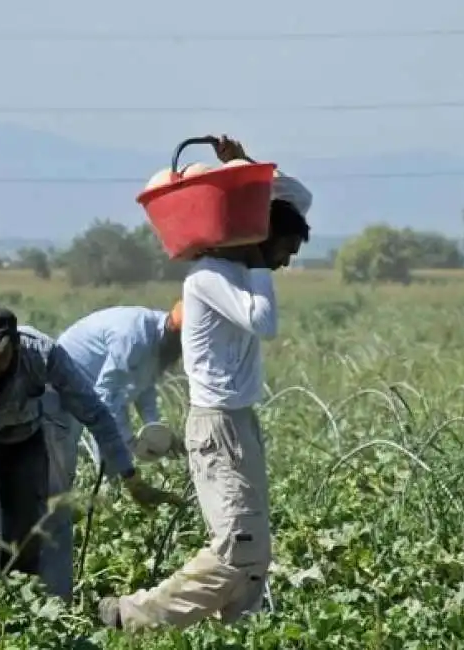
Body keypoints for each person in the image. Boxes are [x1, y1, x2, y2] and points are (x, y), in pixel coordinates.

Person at [99, 134, 313, 631]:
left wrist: (245, 168)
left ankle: (242, 630)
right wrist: (258, 258)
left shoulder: (237, 269)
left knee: (254, 551)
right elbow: (265, 322)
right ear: (260, 239)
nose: (286, 261)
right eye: (284, 249)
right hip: (217, 426)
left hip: (239, 421)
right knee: (236, 548)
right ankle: (132, 616)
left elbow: (299, 199)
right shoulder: (209, 277)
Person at [0, 304, 178, 580]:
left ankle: (18, 610)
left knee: (25, 534)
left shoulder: (43, 354)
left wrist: (129, 475)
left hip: (23, 437)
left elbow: (95, 413)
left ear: (15, 345)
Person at [40, 303, 186, 601]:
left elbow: (145, 392)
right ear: (176, 333)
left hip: (90, 394)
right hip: (61, 392)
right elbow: (104, 401)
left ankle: (105, 510)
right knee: (59, 479)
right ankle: (53, 579)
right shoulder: (132, 337)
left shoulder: (157, 345)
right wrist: (128, 445)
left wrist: (157, 433)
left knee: (109, 467)